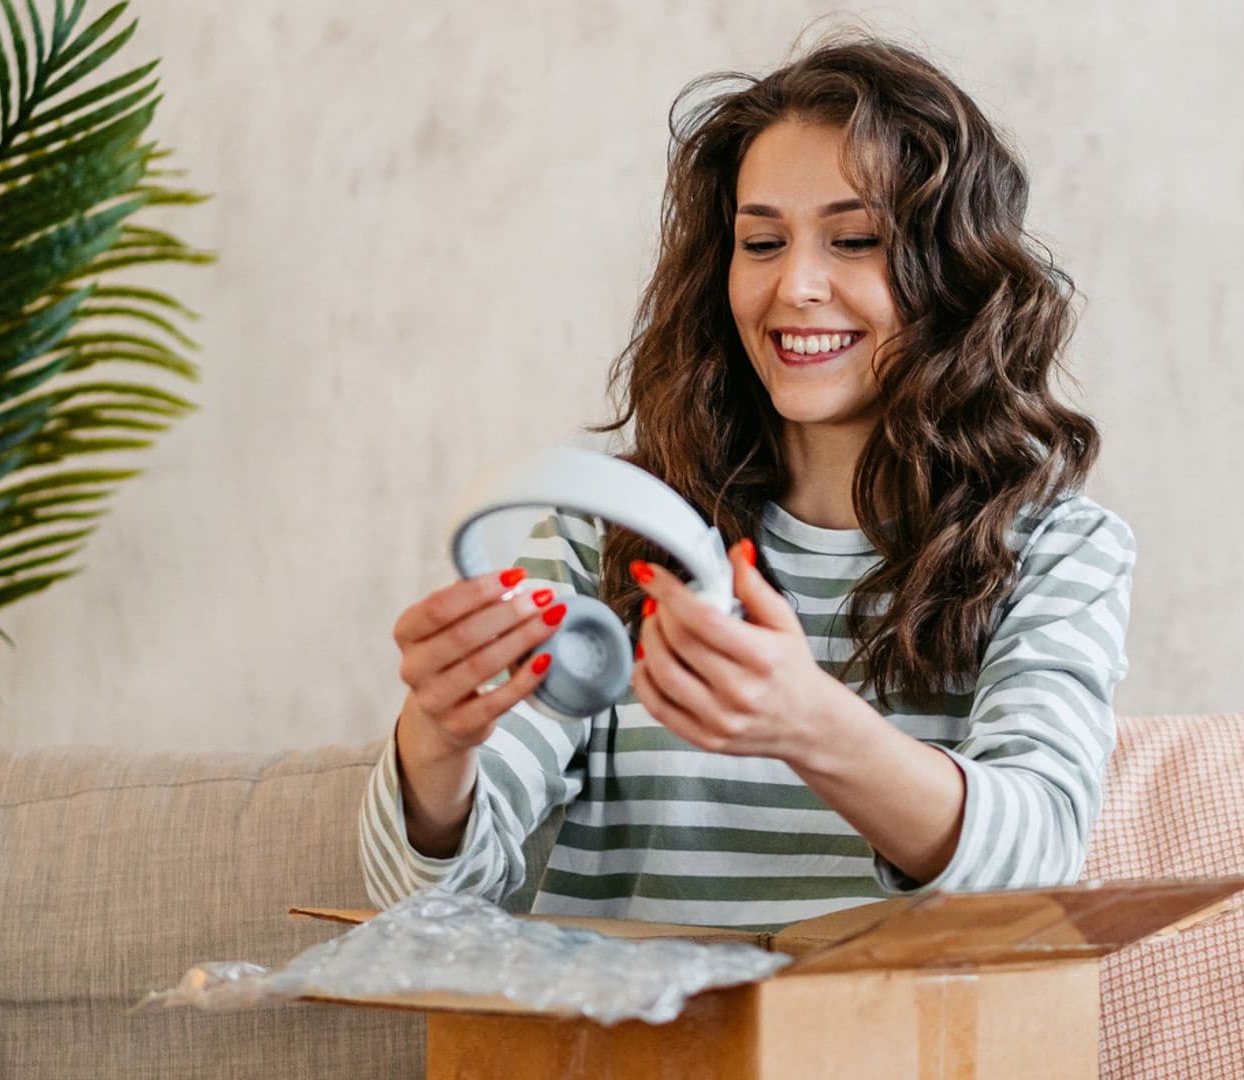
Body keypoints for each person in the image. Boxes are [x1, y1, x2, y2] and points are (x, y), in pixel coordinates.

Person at [360, 33, 1135, 932]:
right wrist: (439, 738)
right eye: (760, 241)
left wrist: (813, 726)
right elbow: (423, 901)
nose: (795, 285)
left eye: (854, 239)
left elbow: (1037, 861)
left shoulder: (1056, 549)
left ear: (956, 276)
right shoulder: (601, 536)